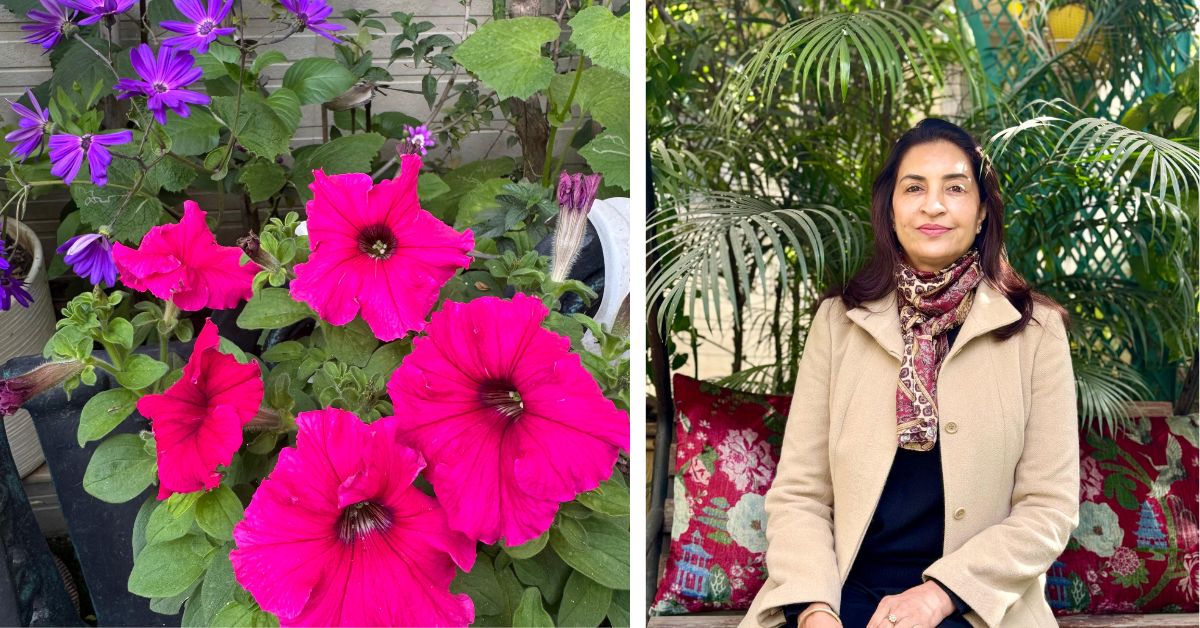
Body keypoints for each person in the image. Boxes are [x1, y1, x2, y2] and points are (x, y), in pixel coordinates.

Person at [740, 118, 1080, 628]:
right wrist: (813, 608)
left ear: (983, 210)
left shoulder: (1036, 331)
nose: (934, 205)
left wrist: (939, 595)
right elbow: (800, 494)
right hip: (840, 590)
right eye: (914, 187)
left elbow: (1047, 509)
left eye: (956, 188)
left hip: (973, 604)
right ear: (891, 208)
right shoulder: (840, 321)